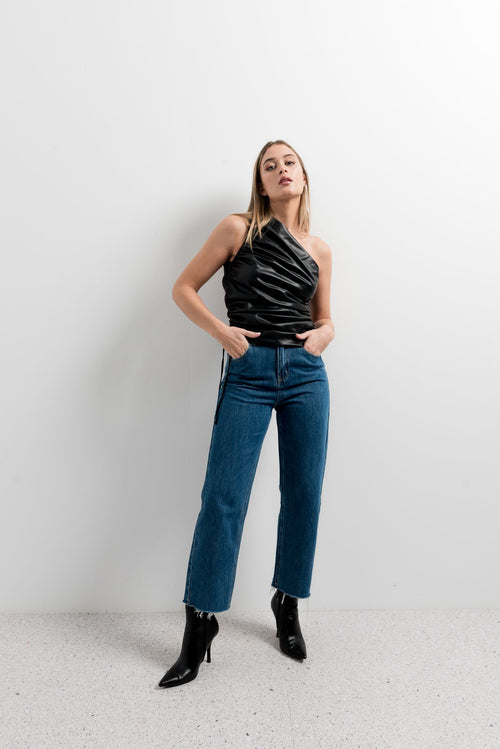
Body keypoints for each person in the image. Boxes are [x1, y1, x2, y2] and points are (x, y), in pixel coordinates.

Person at [158, 139, 335, 689]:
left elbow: (325, 317)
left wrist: (325, 334)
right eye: (269, 165)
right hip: (249, 371)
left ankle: (288, 602)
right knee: (223, 498)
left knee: (304, 494)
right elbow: (183, 288)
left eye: (289, 162)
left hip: (305, 375)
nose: (281, 170)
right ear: (260, 183)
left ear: (304, 176)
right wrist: (222, 333)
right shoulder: (237, 229)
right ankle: (200, 624)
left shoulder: (320, 249)